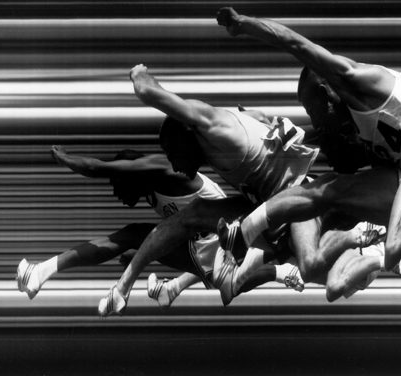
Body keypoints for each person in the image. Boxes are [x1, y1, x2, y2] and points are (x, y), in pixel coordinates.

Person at [212, 7, 401, 302]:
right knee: (327, 190)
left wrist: (244, 25)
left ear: (328, 96)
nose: (315, 121)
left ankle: (396, 240)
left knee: (393, 249)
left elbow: (297, 44)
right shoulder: (352, 107)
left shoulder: (356, 78)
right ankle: (243, 233)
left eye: (313, 112)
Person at [96, 64, 322, 315]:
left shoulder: (213, 127)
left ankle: (286, 268)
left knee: (236, 279)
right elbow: (263, 123)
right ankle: (125, 288)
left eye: (173, 155)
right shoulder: (215, 141)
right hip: (265, 201)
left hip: (291, 199)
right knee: (195, 216)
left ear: (186, 138)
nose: (175, 166)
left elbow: (148, 91)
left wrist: (138, 73)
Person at [15, 146, 304, 309]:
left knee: (136, 234)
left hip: (232, 236)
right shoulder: (150, 190)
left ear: (130, 174)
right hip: (204, 249)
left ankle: (280, 271)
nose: (115, 193)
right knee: (136, 242)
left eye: (116, 185)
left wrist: (67, 160)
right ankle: (41, 272)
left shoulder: (160, 169)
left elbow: (99, 168)